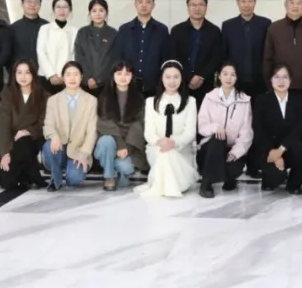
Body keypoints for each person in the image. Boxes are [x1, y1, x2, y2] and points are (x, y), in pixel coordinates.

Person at [137, 60, 199, 198]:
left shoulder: (190, 101)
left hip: (182, 149)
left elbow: (190, 132)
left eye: (176, 77)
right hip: (157, 148)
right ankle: (170, 187)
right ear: (162, 78)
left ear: (181, 78)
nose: (172, 81)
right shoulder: (151, 102)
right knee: (165, 153)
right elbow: (149, 133)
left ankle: (165, 185)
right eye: (168, 77)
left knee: (169, 152)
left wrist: (174, 142)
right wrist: (160, 142)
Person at [197, 62, 253, 198]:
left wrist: (235, 152)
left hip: (230, 150)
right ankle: (206, 183)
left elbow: (246, 133)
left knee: (234, 168)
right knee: (219, 138)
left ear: (237, 78)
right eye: (225, 74)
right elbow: (202, 126)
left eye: (233, 75)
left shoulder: (244, 100)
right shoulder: (209, 97)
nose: (229, 78)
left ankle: (229, 178)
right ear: (219, 76)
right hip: (210, 148)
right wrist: (215, 128)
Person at [252, 63, 302, 195]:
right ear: (271, 80)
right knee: (274, 179)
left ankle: (294, 183)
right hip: (269, 151)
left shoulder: (299, 101)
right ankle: (270, 177)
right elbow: (259, 130)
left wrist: (281, 150)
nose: (281, 81)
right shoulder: (262, 101)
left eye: (285, 77)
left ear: (290, 80)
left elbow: (299, 129)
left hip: (289, 148)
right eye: (277, 77)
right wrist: (273, 153)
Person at [42, 61, 98, 191]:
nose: (72, 78)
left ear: (81, 77)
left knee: (74, 179)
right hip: (59, 147)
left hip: (78, 150)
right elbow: (48, 125)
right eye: (68, 75)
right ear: (63, 77)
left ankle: (70, 171)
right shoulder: (53, 100)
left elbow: (92, 131)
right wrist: (54, 136)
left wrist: (84, 153)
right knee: (48, 146)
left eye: (75, 74)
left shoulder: (91, 100)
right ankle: (56, 179)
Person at [0, 59, 48, 190]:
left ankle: (32, 175)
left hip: (34, 139)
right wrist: (5, 152)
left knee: (24, 142)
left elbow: (45, 122)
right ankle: (30, 174)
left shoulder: (43, 95)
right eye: (19, 72)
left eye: (27, 72)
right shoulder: (7, 94)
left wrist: (28, 131)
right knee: (6, 182)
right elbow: (3, 124)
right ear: (14, 75)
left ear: (33, 74)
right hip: (13, 142)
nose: (23, 77)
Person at [263, 0, 302, 110]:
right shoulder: (274, 28)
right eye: (291, 2)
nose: (295, 6)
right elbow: (267, 59)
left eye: (299, 3)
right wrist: (269, 86)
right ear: (285, 5)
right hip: (279, 87)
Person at [95, 61, 147, 191]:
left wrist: (127, 148)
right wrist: (120, 145)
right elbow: (104, 123)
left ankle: (119, 170)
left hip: (130, 145)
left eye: (127, 74)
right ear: (113, 75)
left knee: (126, 168)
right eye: (119, 73)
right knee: (106, 141)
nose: (123, 77)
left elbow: (138, 126)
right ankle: (109, 177)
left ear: (132, 76)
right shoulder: (104, 97)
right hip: (111, 141)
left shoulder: (139, 98)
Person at [115, 0, 172, 98]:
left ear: (153, 5)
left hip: (154, 87)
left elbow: (166, 59)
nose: (144, 5)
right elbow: (118, 58)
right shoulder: (124, 29)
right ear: (135, 4)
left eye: (148, 2)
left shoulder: (162, 30)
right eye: (140, 1)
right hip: (128, 85)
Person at [171, 0, 224, 107]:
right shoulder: (177, 31)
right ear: (188, 8)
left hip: (206, 85)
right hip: (181, 83)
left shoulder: (214, 31)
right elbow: (173, 56)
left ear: (206, 8)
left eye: (201, 5)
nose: (197, 8)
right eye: (193, 5)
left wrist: (201, 76)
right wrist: (188, 76)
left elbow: (217, 57)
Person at [221, 0, 271, 100]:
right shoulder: (228, 26)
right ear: (237, 2)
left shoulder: (265, 24)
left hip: (260, 82)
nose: (246, 5)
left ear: (255, 2)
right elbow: (224, 55)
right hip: (235, 82)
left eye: (250, 1)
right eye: (243, 1)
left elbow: (269, 53)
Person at [36, 0, 78, 95]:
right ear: (53, 9)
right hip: (46, 77)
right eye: (58, 7)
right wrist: (51, 74)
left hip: (67, 79)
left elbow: (74, 55)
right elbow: (41, 53)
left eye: (65, 7)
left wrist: (66, 74)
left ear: (70, 9)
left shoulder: (75, 31)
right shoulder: (45, 29)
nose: (61, 10)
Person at [74, 0, 117, 95]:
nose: (98, 14)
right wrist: (88, 78)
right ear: (90, 13)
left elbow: (113, 59)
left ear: (106, 13)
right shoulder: (82, 32)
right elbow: (79, 57)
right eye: (94, 11)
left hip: (106, 84)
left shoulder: (113, 33)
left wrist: (98, 79)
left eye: (101, 10)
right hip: (85, 83)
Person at [9, 0, 47, 72]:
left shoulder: (48, 27)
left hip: (44, 75)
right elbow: (8, 56)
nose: (32, 5)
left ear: (40, 5)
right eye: (29, 2)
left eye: (36, 2)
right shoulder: (13, 28)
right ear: (22, 4)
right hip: (20, 76)